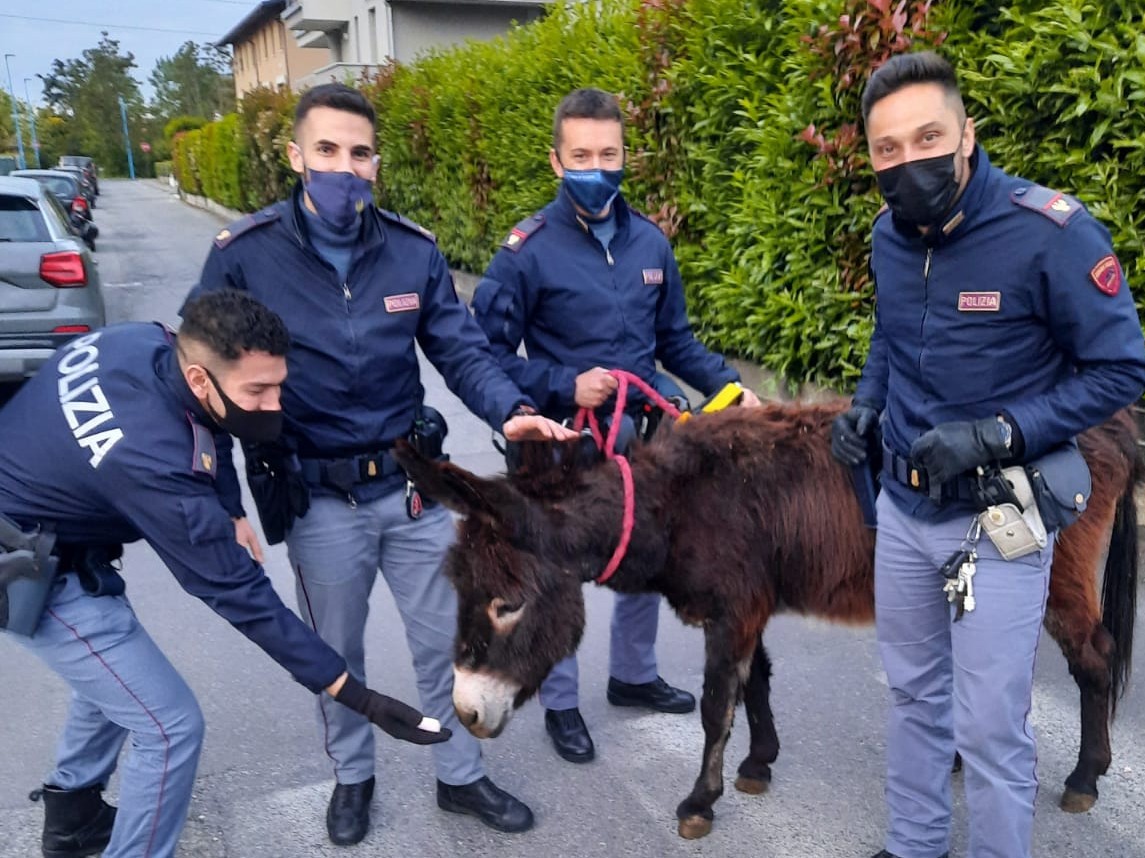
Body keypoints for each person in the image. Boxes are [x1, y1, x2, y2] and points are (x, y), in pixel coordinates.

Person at [189, 83, 573, 845]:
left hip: (411, 492)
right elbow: (200, 383)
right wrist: (221, 499)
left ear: (376, 164)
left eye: (359, 153)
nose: (343, 167)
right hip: (319, 498)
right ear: (295, 156)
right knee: (335, 654)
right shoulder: (245, 256)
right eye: (326, 150)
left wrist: (507, 408)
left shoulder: (412, 250)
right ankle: (354, 776)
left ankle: (460, 778)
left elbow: (460, 349)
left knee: (453, 644)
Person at [830, 52, 1145, 858]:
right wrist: (868, 404)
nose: (909, 163)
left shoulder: (1052, 234)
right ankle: (914, 845)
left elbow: (1120, 369)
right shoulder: (887, 237)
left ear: (966, 133)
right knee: (912, 697)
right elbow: (890, 337)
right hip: (903, 513)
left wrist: (1002, 432)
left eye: (928, 137)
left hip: (999, 518)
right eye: (886, 150)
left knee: (989, 723)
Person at [0, 290, 449, 858]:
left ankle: (72, 820)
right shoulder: (154, 465)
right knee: (169, 729)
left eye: (279, 384)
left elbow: (208, 429)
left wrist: (232, 507)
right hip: (26, 563)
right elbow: (240, 594)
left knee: (116, 681)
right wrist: (352, 692)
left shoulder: (140, 342)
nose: (272, 403)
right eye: (257, 391)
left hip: (48, 528)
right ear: (200, 377)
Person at [471, 87, 761, 765]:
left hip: (642, 434)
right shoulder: (526, 251)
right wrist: (562, 384)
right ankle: (562, 703)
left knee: (647, 553)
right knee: (556, 570)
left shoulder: (650, 241)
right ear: (556, 160)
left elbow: (677, 341)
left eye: (608, 153)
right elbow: (482, 351)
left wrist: (728, 387)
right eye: (581, 155)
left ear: (626, 155)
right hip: (562, 441)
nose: (596, 167)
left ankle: (632, 676)